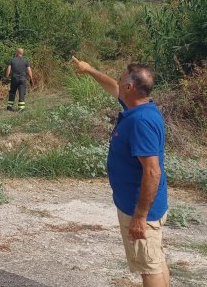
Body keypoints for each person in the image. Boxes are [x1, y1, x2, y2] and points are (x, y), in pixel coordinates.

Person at [71, 57, 170, 287]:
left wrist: (140, 217)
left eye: (122, 78)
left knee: (150, 267)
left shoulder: (141, 122)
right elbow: (112, 87)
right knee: (154, 260)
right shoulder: (139, 107)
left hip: (141, 209)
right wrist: (89, 70)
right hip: (143, 206)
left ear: (130, 87)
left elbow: (152, 172)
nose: (118, 80)